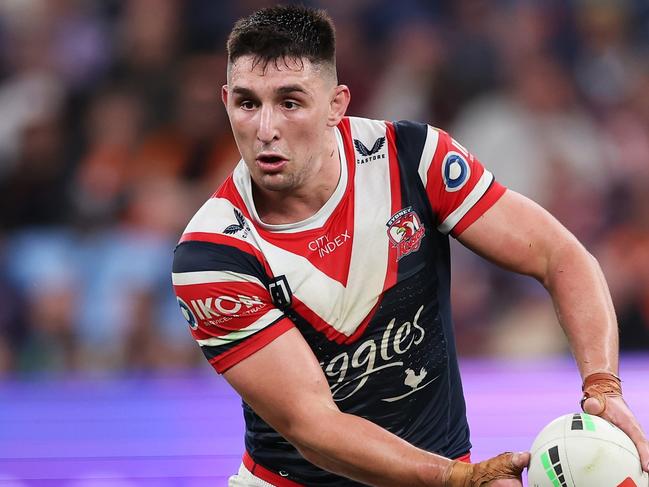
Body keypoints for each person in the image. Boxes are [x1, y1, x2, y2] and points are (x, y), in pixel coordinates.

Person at [171, 5, 649, 486]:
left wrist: (603, 388)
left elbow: (560, 255)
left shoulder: (413, 158)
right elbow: (312, 424)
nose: (265, 128)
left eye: (290, 102)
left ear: (337, 104)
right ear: (226, 101)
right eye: (248, 104)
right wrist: (458, 479)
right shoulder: (211, 256)